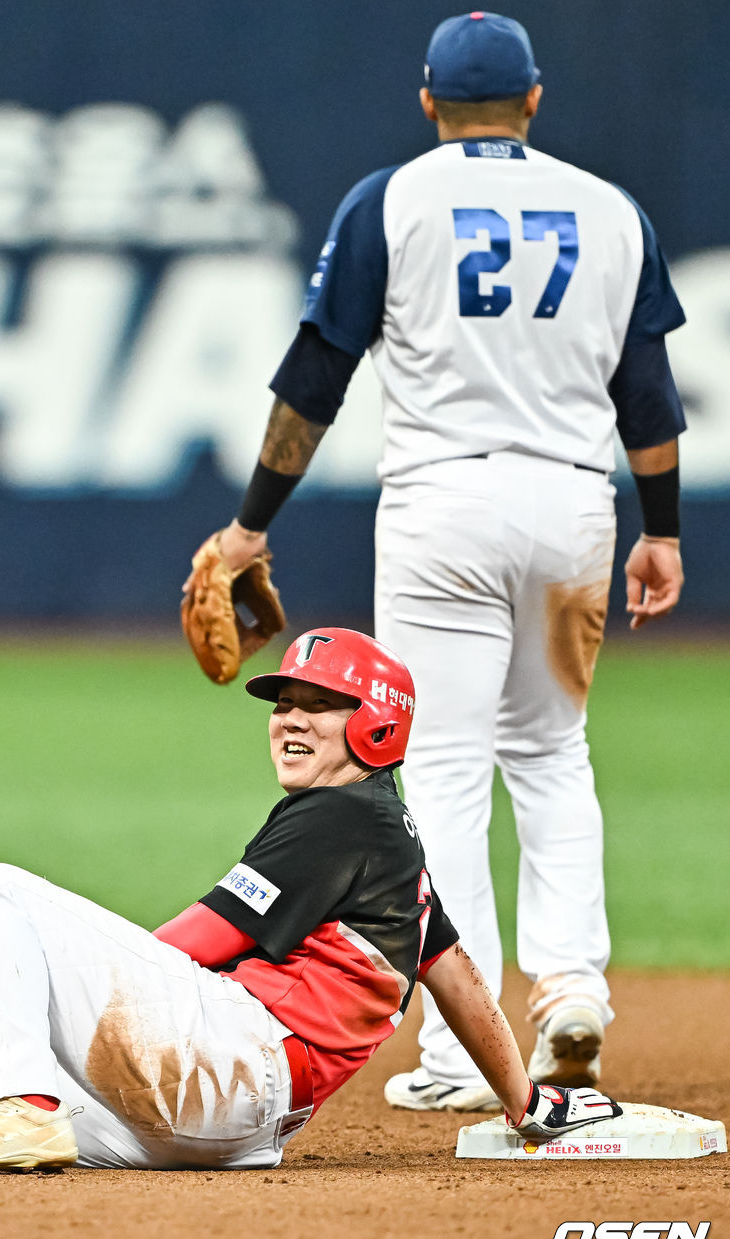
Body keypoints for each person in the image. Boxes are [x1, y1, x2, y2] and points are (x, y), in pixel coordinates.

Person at [187, 12, 687, 1112]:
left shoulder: (395, 199)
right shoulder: (608, 209)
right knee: (553, 752)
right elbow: (645, 393)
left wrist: (252, 519)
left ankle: (464, 1055)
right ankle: (571, 992)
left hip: (440, 511)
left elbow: (317, 371)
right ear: (534, 101)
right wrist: (662, 527)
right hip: (568, 507)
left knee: (446, 765)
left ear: (427, 103)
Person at [0, 629, 619, 1173]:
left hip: (234, 1063)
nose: (290, 718)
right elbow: (454, 972)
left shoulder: (339, 819)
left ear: (377, 723)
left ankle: (20, 1117)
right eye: (283, 703)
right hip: (229, 1130)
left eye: (321, 704)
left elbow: (193, 948)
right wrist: (526, 1101)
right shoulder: (392, 837)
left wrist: (81, 984)